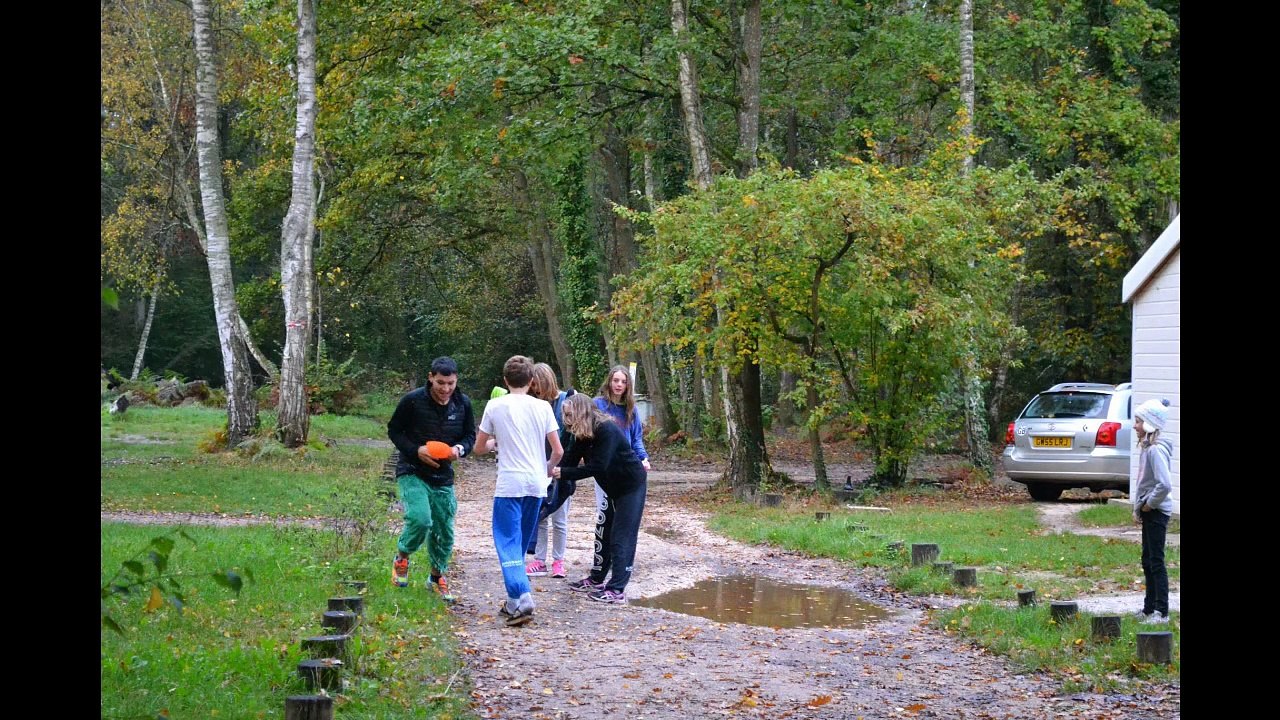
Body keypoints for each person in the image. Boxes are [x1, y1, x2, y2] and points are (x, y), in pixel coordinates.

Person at [476, 355, 564, 626]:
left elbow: (479, 448)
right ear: (532, 381)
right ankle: (513, 602)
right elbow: (558, 450)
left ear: (505, 381)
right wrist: (547, 469)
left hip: (509, 484)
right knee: (522, 543)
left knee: (507, 543)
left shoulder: (495, 405)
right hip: (536, 485)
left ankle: (522, 596)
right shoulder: (543, 408)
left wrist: (494, 444)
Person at [387, 357, 476, 602]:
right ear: (430, 377)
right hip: (412, 470)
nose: (446, 389)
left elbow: (470, 435)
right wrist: (416, 451)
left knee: (443, 529)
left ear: (456, 380)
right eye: (440, 383)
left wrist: (459, 449)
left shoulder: (463, 403)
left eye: (450, 383)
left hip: (443, 475)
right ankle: (402, 557)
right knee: (420, 519)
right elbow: (394, 430)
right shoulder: (412, 401)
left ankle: (436, 578)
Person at [554, 393, 648, 604]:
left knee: (621, 537)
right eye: (565, 416)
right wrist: (553, 474)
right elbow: (569, 460)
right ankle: (597, 579)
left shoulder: (607, 430)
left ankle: (617, 589)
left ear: (581, 413)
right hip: (612, 488)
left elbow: (597, 466)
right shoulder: (582, 434)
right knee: (603, 533)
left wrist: (565, 474)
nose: (566, 420)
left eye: (569, 415)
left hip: (630, 486)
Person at [524, 363, 576, 579]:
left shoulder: (568, 400)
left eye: (536, 385)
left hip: (563, 467)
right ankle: (539, 560)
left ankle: (558, 561)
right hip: (538, 467)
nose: (534, 390)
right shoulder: (533, 405)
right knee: (541, 516)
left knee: (560, 518)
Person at [1132, 398, 1174, 624]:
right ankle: (1149, 608)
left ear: (1148, 424)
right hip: (1149, 510)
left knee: (1156, 560)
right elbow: (1143, 482)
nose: (1135, 426)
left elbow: (1164, 484)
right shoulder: (1147, 449)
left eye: (1138, 421)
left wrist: (1149, 504)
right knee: (1147, 560)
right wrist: (1139, 508)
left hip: (1157, 511)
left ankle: (1161, 611)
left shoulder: (1156, 450)